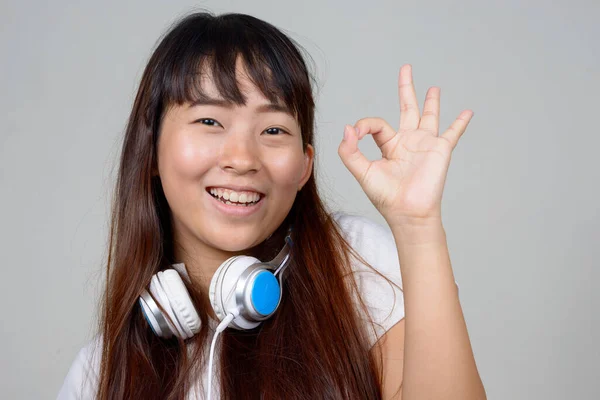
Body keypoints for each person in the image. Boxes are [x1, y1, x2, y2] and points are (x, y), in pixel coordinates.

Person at [57, 11, 486, 400]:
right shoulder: (99, 375)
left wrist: (417, 225)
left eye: (275, 129)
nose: (242, 159)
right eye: (209, 121)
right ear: (150, 153)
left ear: (304, 165)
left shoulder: (355, 266)